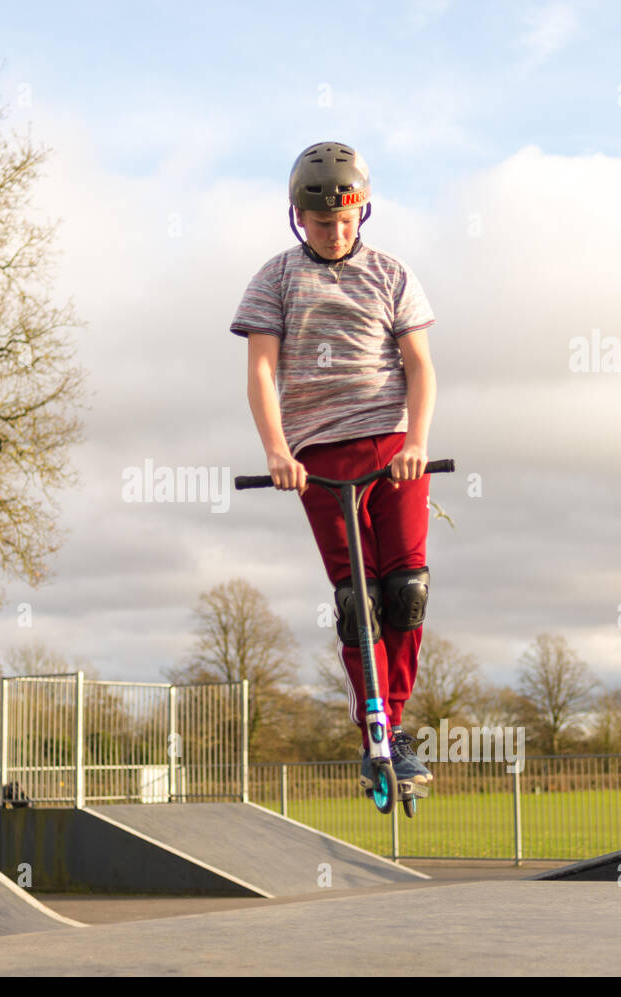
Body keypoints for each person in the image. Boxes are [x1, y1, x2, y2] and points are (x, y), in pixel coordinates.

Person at [231, 141, 436, 794]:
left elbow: (420, 366)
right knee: (360, 600)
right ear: (297, 218)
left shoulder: (392, 274)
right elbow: (261, 369)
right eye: (323, 223)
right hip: (319, 458)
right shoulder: (275, 279)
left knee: (406, 589)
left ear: (362, 212)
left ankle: (394, 720)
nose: (336, 232)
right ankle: (373, 720)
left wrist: (417, 441)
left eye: (347, 220)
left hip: (394, 450)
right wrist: (277, 452)